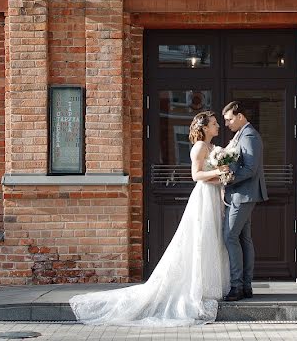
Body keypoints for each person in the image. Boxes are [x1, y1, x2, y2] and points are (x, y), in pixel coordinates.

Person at [69, 111, 229, 326]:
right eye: (214, 123)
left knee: (212, 239)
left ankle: (210, 285)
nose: (218, 125)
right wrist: (219, 170)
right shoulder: (200, 146)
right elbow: (196, 175)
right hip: (203, 197)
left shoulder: (212, 148)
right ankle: (197, 287)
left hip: (213, 195)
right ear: (205, 128)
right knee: (201, 238)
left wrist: (221, 176)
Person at [220, 101, 268, 302]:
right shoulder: (241, 135)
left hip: (244, 194)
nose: (227, 124)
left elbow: (250, 169)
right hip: (241, 194)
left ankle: (237, 286)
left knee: (230, 236)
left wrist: (227, 178)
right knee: (242, 239)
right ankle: (246, 286)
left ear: (240, 116)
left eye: (229, 119)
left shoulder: (249, 136)